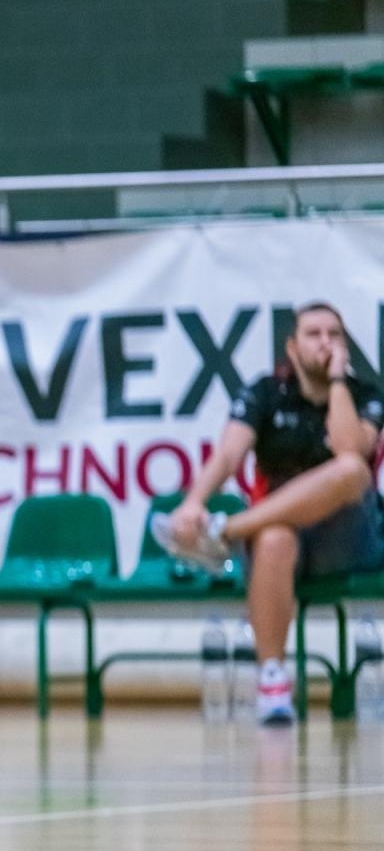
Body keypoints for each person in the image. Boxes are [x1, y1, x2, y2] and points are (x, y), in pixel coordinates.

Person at [154, 300, 384, 725]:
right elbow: (227, 455)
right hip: (283, 539)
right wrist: (193, 503)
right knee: (275, 537)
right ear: (292, 348)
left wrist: (336, 382)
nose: (326, 342)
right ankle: (273, 680)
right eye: (314, 334)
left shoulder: (364, 394)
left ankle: (228, 531)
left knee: (351, 471)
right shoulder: (263, 392)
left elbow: (351, 451)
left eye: (334, 334)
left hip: (347, 538)